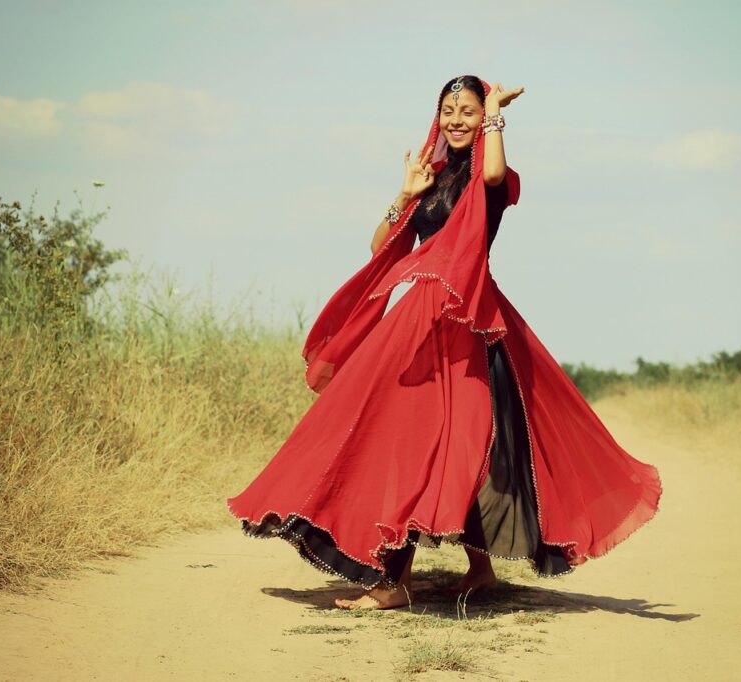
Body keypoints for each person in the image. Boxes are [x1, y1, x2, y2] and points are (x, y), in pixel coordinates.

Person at [226, 75, 662, 611]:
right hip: (420, 320)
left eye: (469, 111)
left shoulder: (489, 178)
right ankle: (477, 571)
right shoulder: (430, 178)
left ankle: (392, 583)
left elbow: (495, 169)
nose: (457, 120)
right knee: (422, 437)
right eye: (449, 110)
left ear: (483, 119)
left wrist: (499, 114)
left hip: (469, 321)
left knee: (452, 439)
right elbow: (380, 246)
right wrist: (404, 194)